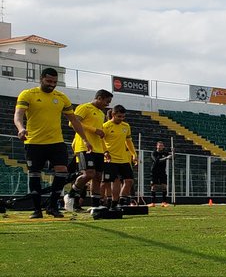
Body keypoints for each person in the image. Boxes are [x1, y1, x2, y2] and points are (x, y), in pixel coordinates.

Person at [13, 66, 87, 219]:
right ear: (41, 79)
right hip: (34, 142)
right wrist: (21, 128)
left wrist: (85, 139)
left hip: (56, 142)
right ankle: (37, 210)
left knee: (62, 171)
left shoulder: (61, 97)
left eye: (54, 82)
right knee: (35, 174)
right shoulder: (28, 94)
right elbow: (18, 114)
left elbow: (74, 120)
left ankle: (52, 206)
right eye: (48, 81)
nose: (52, 84)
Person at [69, 89, 112, 209]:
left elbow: (99, 134)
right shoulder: (84, 107)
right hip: (84, 146)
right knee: (89, 174)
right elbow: (72, 123)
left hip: (98, 149)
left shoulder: (101, 113)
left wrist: (105, 150)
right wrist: (94, 130)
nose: (107, 105)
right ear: (99, 98)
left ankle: (95, 205)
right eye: (107, 102)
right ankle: (71, 193)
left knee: (98, 177)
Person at [100, 105, 138, 207]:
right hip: (110, 159)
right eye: (119, 116)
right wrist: (105, 152)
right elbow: (100, 141)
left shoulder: (126, 126)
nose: (121, 119)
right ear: (113, 114)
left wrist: (134, 154)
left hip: (123, 159)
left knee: (129, 181)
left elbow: (128, 141)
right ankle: (114, 203)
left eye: (123, 117)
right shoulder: (105, 126)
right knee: (114, 181)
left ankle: (122, 201)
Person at [149, 141, 173, 207]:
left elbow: (173, 157)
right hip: (154, 171)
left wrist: (173, 152)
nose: (160, 147)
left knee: (164, 186)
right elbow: (157, 160)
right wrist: (166, 158)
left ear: (163, 146)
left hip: (162, 172)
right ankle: (152, 203)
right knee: (154, 186)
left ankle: (164, 202)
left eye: (162, 145)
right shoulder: (154, 153)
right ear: (157, 146)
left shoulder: (165, 153)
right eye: (159, 145)